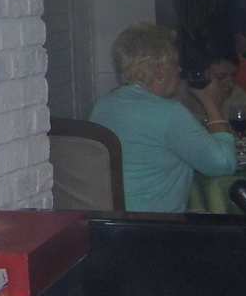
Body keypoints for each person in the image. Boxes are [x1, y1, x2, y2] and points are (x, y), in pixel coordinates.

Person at [89, 23, 236, 212]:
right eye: (175, 64)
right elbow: (224, 164)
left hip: (111, 221)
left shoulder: (103, 105)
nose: (179, 70)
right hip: (156, 225)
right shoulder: (169, 113)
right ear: (159, 72)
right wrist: (210, 102)